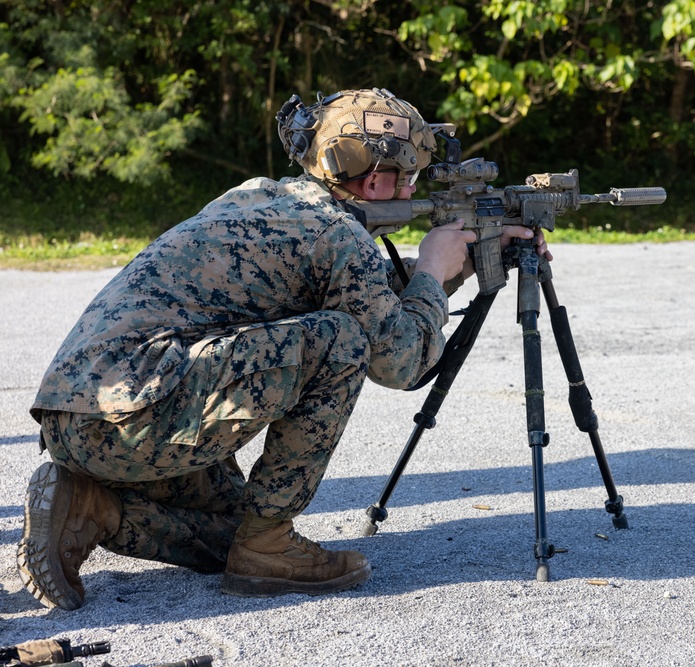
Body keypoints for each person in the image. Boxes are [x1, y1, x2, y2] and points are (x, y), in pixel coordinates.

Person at [17, 88, 551, 610]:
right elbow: (400, 360)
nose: (412, 190)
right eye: (407, 177)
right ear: (373, 177)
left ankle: (90, 507)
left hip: (85, 419)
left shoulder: (256, 196)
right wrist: (432, 271)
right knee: (338, 341)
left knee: (232, 531)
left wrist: (455, 266)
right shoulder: (340, 235)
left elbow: (360, 294)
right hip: (140, 416)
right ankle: (269, 548)